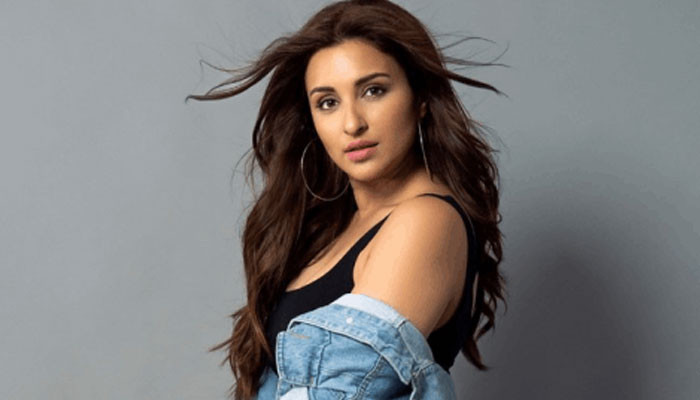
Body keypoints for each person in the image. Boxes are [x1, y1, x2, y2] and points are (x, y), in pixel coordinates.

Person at [186, 0, 508, 398]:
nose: (352, 123)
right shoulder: (329, 225)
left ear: (420, 98)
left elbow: (337, 392)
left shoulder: (426, 220)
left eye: (374, 91)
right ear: (312, 120)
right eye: (328, 102)